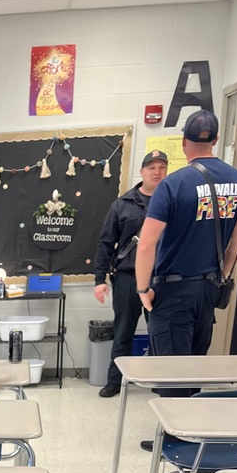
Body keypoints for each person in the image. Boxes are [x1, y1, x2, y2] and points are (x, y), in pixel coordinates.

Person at [136, 110, 237, 444]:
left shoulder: (173, 184)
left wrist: (142, 289)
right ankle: (194, 432)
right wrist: (223, 274)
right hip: (209, 287)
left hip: (173, 290)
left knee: (171, 370)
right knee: (196, 365)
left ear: (184, 143)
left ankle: (178, 440)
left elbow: (147, 243)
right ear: (215, 140)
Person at [92, 149, 168, 397]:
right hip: (127, 277)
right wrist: (99, 279)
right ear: (142, 171)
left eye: (161, 168)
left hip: (160, 279)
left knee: (159, 333)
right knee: (123, 331)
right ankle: (115, 380)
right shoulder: (122, 205)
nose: (156, 172)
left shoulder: (172, 201)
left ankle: (160, 382)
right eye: (151, 168)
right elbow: (105, 244)